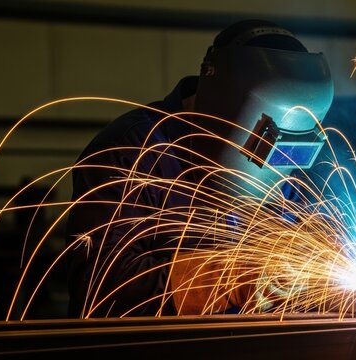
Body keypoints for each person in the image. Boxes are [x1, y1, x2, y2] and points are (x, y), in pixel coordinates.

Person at [65, 19, 334, 318]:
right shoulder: (133, 150)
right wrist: (226, 280)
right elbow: (98, 285)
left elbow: (296, 255)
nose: (277, 163)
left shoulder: (282, 160)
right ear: (231, 104)